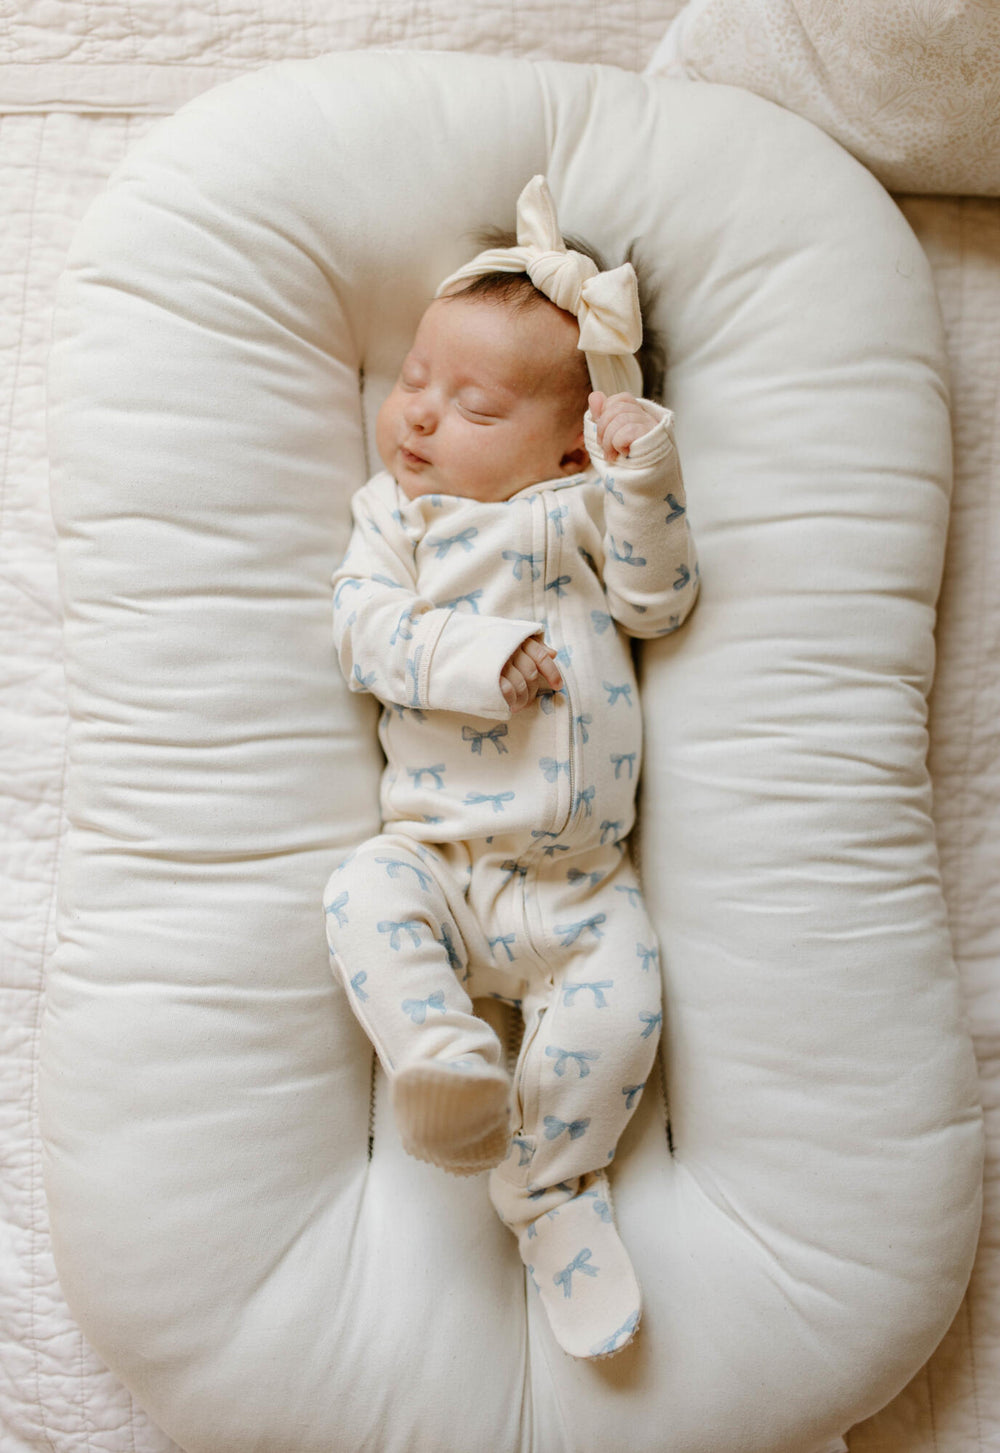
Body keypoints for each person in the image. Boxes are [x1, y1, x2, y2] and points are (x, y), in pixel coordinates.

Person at [324, 175, 699, 1359]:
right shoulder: (398, 519)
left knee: (627, 1010)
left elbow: (662, 599)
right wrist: (477, 657)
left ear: (561, 443)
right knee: (357, 895)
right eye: (415, 383)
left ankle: (548, 1185)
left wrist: (640, 485)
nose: (419, 417)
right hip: (438, 851)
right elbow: (362, 634)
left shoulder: (585, 511)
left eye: (471, 406)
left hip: (584, 888)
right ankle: (439, 1050)